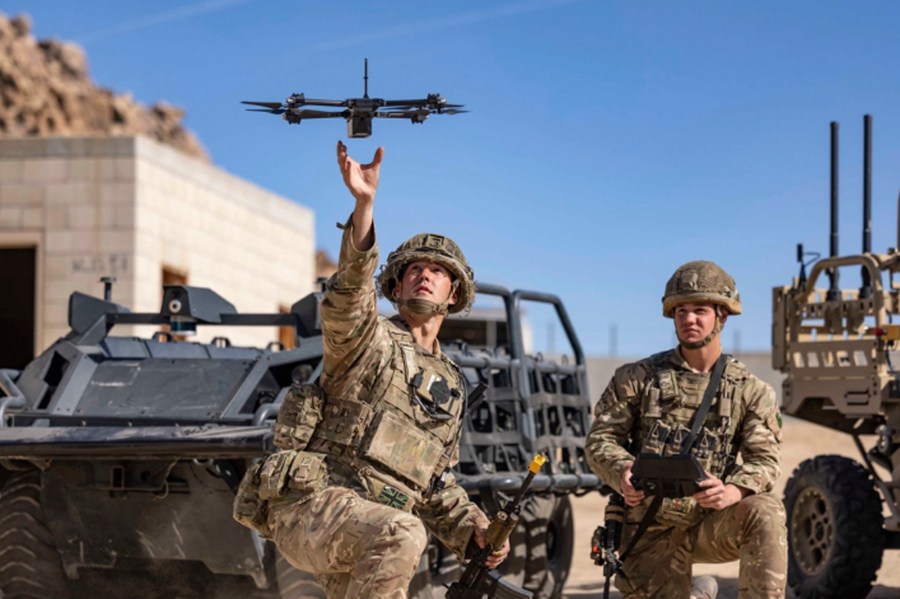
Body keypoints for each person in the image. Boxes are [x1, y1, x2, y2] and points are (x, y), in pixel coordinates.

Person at [259, 141, 508, 598]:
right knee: (403, 533)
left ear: (454, 295)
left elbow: (434, 485)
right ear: (395, 285)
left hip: (369, 524)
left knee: (397, 534)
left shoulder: (451, 383)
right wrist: (364, 206)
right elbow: (347, 298)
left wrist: (473, 526)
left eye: (438, 270)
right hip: (315, 505)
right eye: (414, 269)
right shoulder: (366, 340)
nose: (425, 275)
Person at [585, 260, 787, 599]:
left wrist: (733, 491)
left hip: (711, 523)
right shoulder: (637, 378)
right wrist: (623, 472)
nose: (688, 319)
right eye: (680, 311)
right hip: (648, 524)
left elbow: (765, 460)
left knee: (765, 510)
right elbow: (600, 440)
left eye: (700, 310)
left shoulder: (751, 390)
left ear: (721, 316)